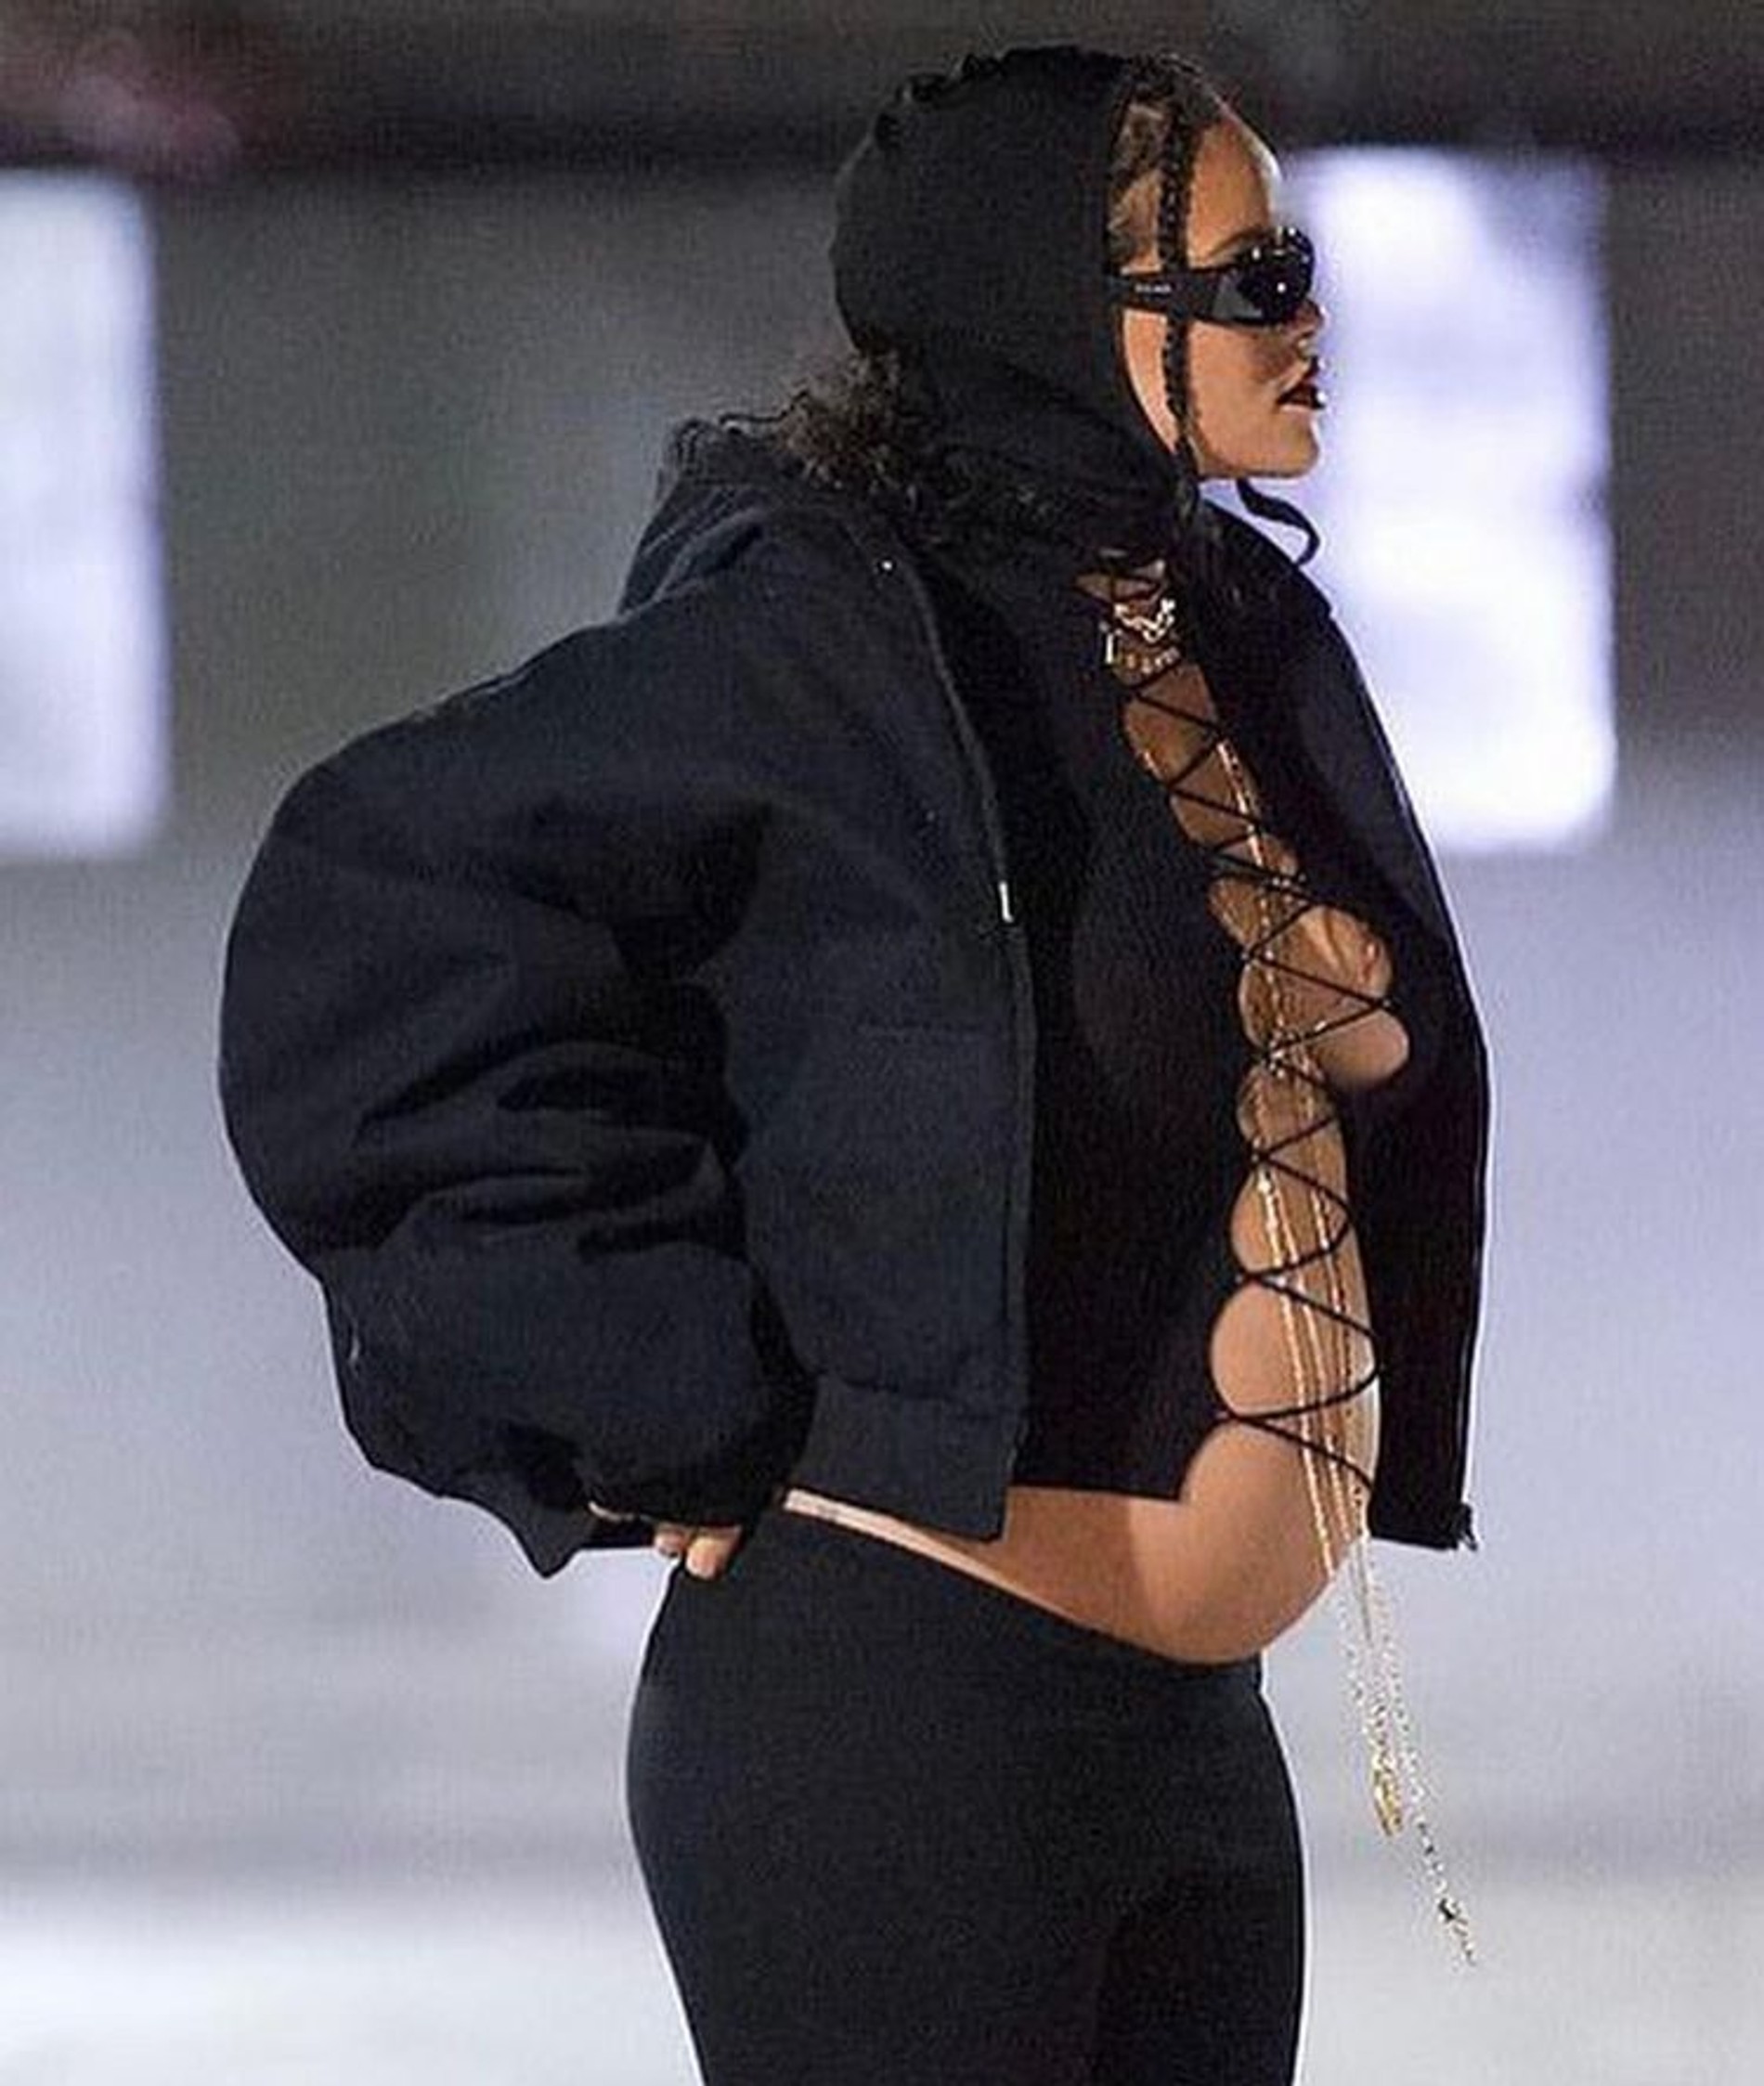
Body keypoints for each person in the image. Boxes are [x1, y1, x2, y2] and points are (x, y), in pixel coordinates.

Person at [218, 42, 1489, 2086]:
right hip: (901, 1722)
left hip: (1194, 1741)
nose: (1307, 315)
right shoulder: (837, 644)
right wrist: (658, 1387)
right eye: (1254, 276)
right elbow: (375, 908)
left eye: (1304, 265)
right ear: (1049, 309)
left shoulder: (1226, 637)